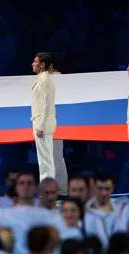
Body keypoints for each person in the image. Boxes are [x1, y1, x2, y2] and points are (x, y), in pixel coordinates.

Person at [31, 53, 57, 182]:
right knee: (44, 160)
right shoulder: (42, 80)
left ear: (42, 65)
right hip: (41, 123)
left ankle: (48, 190)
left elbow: (47, 106)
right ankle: (47, 189)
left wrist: (40, 126)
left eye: (35, 61)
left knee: (46, 160)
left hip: (43, 125)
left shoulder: (45, 81)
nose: (32, 64)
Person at [48, 52, 68, 197]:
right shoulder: (44, 79)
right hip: (45, 122)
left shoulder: (59, 79)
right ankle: (51, 189)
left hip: (56, 123)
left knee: (56, 157)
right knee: (47, 158)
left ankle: (62, 190)